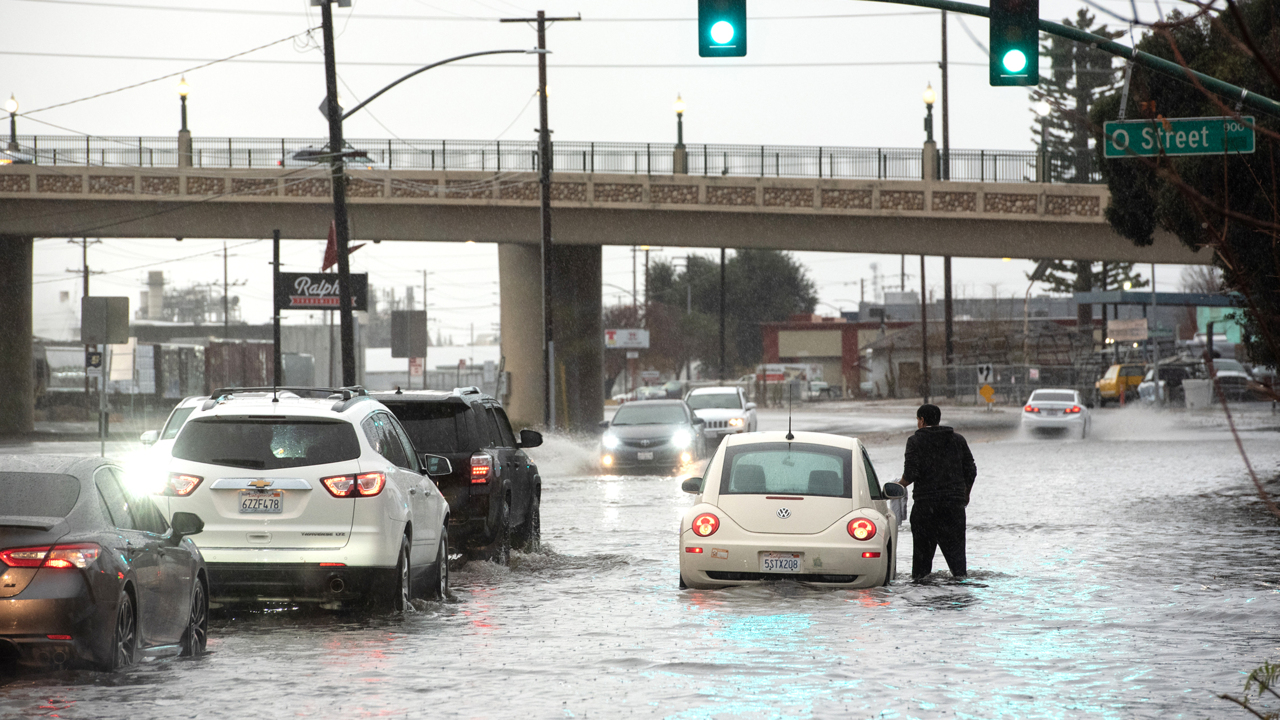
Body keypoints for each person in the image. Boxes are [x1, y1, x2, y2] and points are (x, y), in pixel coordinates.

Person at [899, 404, 976, 580]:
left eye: (918, 419)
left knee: (921, 570)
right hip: (953, 509)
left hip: (925, 509)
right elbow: (971, 470)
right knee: (958, 568)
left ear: (922, 420)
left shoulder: (915, 441)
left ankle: (922, 600)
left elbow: (910, 475)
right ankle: (959, 600)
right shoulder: (958, 440)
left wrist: (897, 485)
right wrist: (965, 493)